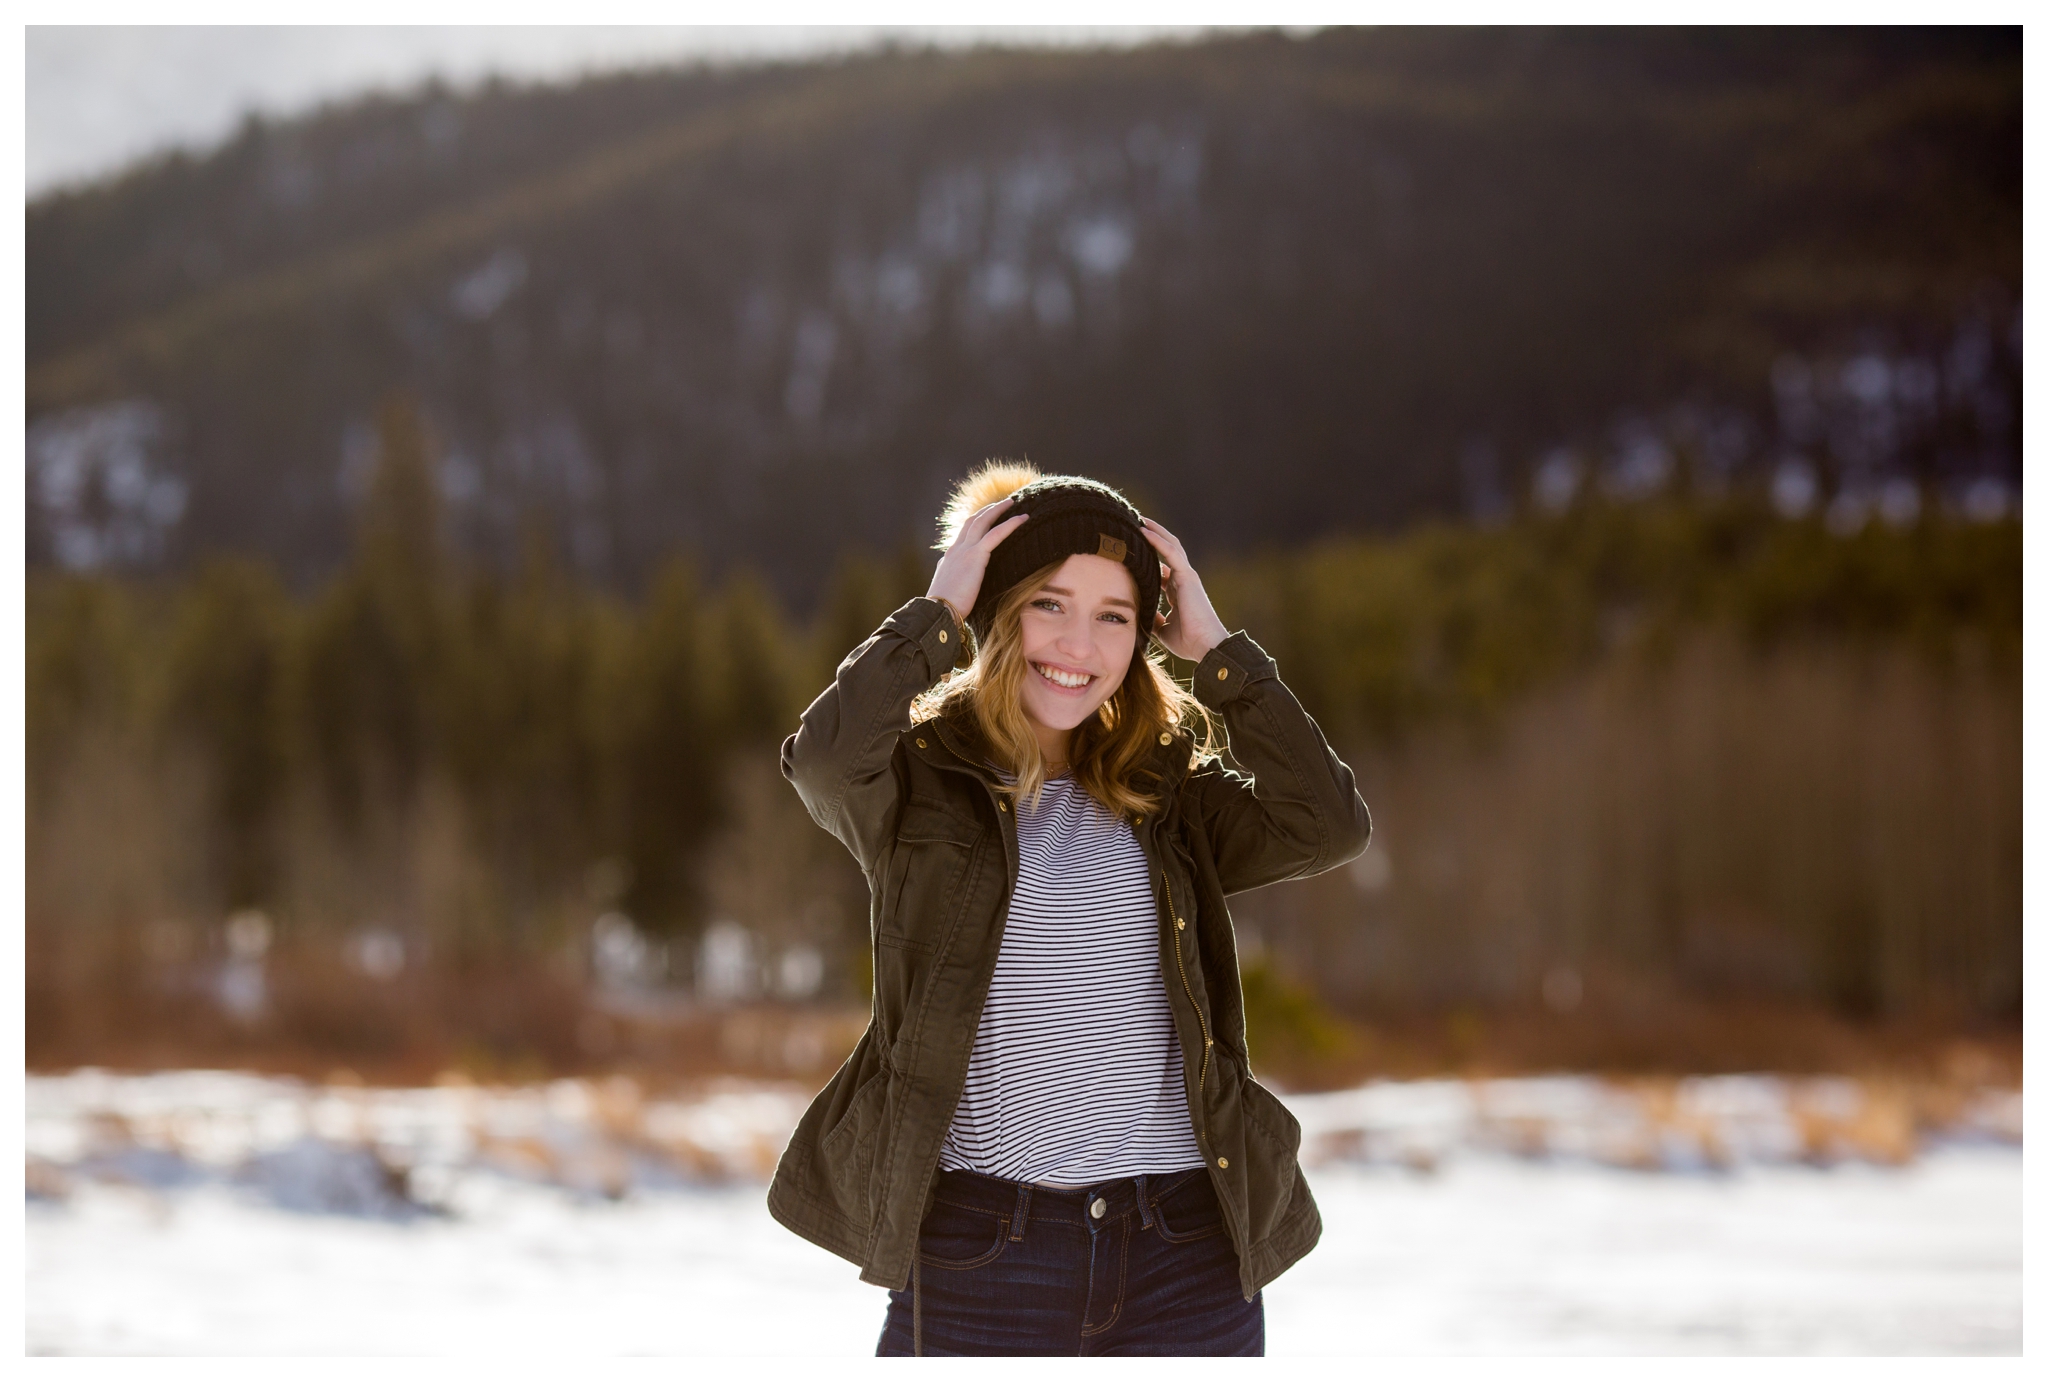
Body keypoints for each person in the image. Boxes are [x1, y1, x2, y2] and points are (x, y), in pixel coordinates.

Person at [767, 462, 1372, 1356]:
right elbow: (821, 763)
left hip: (1184, 1251)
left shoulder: (1169, 790)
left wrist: (1219, 656)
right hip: (983, 1253)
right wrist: (936, 617)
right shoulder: (921, 783)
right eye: (1050, 603)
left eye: (1114, 616)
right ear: (998, 609)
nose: (1078, 644)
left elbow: (1327, 826)